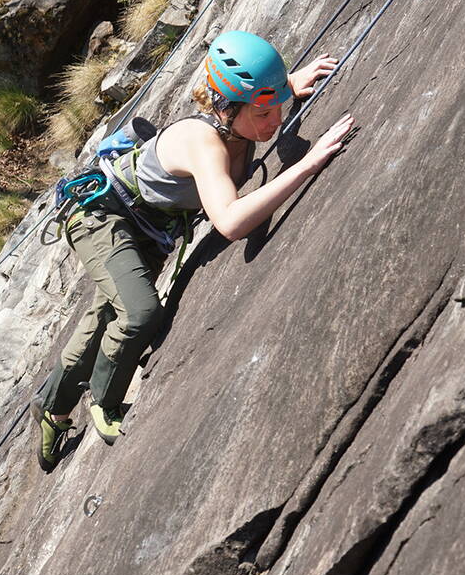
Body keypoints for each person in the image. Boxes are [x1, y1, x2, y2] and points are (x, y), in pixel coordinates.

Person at [32, 30, 354, 471]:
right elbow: (231, 221)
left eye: (275, 109)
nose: (273, 121)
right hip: (103, 217)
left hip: (148, 228)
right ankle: (104, 401)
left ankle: (52, 410)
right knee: (139, 313)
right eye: (264, 112)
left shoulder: (241, 115)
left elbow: (255, 110)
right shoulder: (202, 141)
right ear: (226, 107)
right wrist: (308, 162)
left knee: (105, 317)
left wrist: (285, 88)